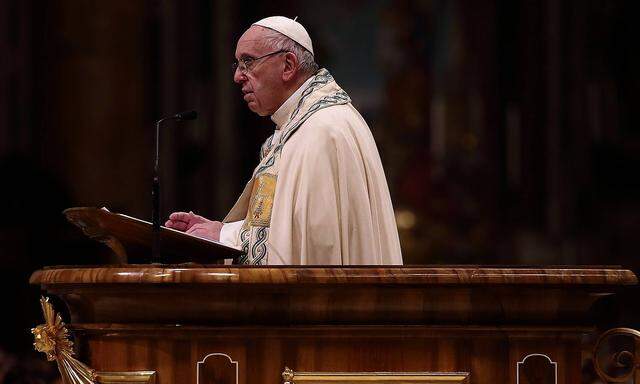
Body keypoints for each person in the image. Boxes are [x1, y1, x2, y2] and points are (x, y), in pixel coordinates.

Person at [166, 16, 402, 265]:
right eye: (236, 64)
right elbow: (287, 231)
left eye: (248, 61)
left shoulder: (322, 130)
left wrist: (224, 238)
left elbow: (314, 245)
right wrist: (216, 233)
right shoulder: (301, 127)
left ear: (288, 65)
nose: (237, 76)